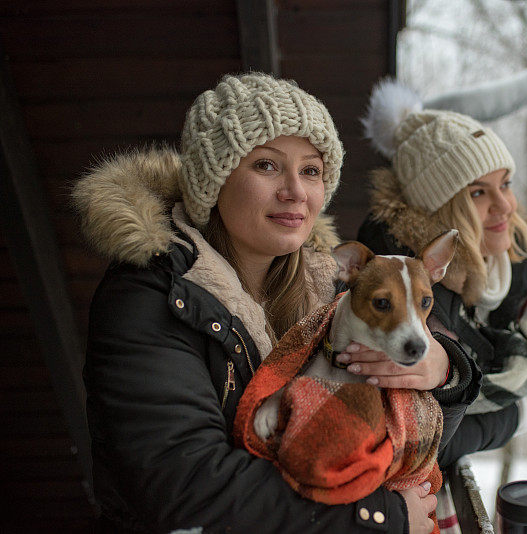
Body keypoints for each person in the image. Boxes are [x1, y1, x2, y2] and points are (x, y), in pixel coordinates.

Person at [72, 73, 479, 534]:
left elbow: (417, 434)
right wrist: (379, 517)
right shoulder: (153, 295)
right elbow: (186, 487)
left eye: (310, 170)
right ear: (215, 178)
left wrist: (445, 373)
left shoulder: (334, 289)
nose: (295, 191)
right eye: (266, 166)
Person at [356, 80, 527, 468]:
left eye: (505, 184)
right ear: (442, 209)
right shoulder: (412, 292)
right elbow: (427, 443)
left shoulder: (520, 270)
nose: (504, 206)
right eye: (478, 193)